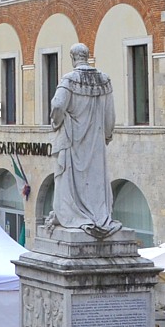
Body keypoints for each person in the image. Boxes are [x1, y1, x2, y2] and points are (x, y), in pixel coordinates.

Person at [48, 43, 121, 238]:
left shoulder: (69, 80)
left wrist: (57, 122)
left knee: (70, 179)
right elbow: (110, 116)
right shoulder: (104, 81)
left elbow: (57, 105)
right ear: (87, 56)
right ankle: (98, 215)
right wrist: (106, 135)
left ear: (73, 58)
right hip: (95, 142)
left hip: (73, 141)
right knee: (95, 179)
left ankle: (74, 214)